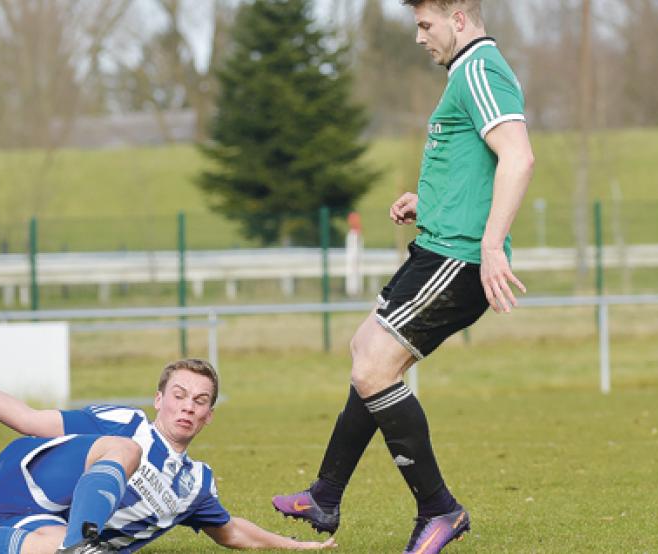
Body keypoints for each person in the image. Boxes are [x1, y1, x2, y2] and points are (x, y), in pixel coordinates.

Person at [271, 1, 535, 553]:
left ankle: (439, 509)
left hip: (458, 260)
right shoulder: (464, 75)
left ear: (458, 19)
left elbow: (517, 157)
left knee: (373, 366)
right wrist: (430, 202)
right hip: (439, 246)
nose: (419, 37)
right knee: (365, 349)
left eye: (425, 25)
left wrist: (490, 247)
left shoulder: (480, 68)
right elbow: (476, 166)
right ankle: (326, 494)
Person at [0, 358, 336, 553]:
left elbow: (232, 532)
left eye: (200, 401)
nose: (188, 406)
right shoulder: (125, 421)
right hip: (28, 482)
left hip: (45, 529)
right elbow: (29, 421)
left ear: (209, 415)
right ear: (159, 399)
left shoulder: (195, 486)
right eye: (180, 395)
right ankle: (82, 542)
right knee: (124, 449)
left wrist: (295, 547)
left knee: (49, 549)